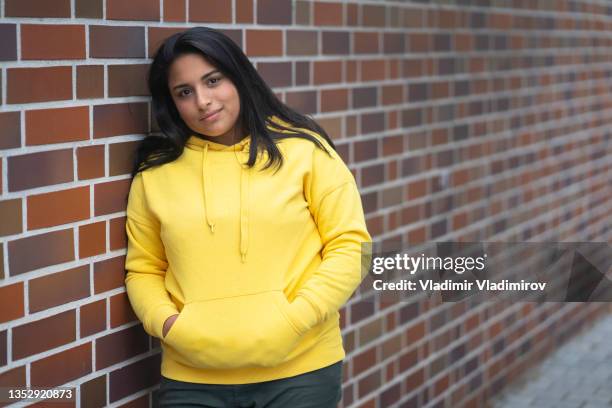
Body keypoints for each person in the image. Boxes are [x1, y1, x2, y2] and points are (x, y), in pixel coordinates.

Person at [124, 26, 371, 408]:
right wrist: (170, 326)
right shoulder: (155, 173)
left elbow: (352, 246)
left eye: (212, 81)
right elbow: (144, 269)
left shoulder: (304, 150)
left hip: (299, 371)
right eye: (184, 92)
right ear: (171, 103)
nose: (203, 101)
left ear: (238, 76)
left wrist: (294, 320)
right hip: (192, 378)